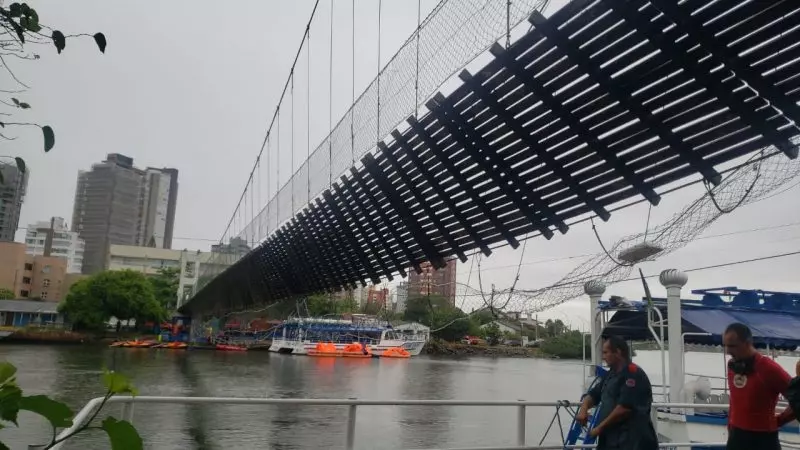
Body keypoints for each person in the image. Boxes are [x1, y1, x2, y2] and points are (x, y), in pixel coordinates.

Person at [575, 335, 658, 450]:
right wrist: (583, 410)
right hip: (611, 439)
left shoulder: (633, 374)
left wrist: (599, 428)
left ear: (618, 352)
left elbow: (624, 409)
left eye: (605, 352)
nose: (603, 357)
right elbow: (593, 395)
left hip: (632, 440)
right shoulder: (610, 374)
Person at [724, 322, 795, 450]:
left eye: (732, 346)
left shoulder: (768, 368)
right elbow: (734, 400)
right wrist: (730, 426)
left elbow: (798, 398)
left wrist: (778, 421)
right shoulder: (732, 367)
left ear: (747, 343)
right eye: (726, 346)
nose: (728, 351)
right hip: (736, 437)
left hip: (763, 439)